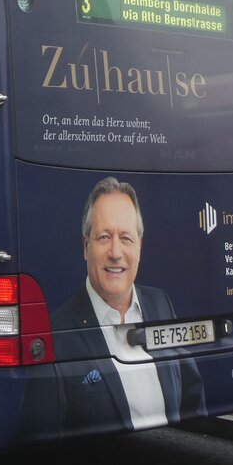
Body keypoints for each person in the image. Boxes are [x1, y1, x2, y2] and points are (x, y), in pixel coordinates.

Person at [53, 177, 206, 431]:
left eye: (126, 238)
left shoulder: (160, 304)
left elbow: (191, 395)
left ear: (139, 247)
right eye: (104, 237)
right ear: (85, 246)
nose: (115, 252)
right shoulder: (57, 334)